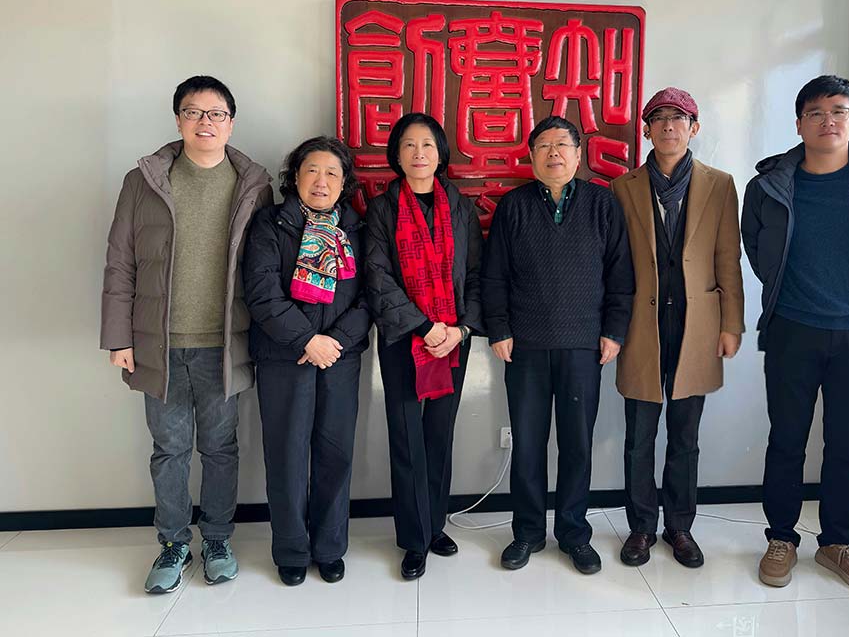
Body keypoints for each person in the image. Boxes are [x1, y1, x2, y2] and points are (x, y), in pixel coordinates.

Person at [742, 75, 849, 594]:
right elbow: (757, 248)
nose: (828, 121)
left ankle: (839, 544)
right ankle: (781, 538)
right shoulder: (769, 184)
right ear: (799, 123)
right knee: (786, 440)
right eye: (816, 113)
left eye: (839, 111)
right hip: (792, 330)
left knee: (847, 445)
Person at [100, 75, 273, 593]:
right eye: (194, 112)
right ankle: (173, 543)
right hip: (159, 342)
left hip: (226, 342)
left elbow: (266, 267)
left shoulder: (254, 184)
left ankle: (217, 538)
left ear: (231, 123)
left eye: (216, 113)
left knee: (221, 448)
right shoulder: (143, 181)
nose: (205, 122)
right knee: (169, 448)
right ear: (178, 120)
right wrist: (119, 336)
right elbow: (120, 261)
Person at [481, 115, 634, 575]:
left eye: (562, 145)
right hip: (524, 345)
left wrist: (614, 331)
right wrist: (499, 328)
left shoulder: (602, 204)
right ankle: (527, 532)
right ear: (531, 156)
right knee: (528, 444)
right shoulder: (514, 207)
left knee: (576, 445)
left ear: (578, 153)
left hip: (583, 345)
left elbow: (620, 275)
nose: (554, 153)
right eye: (544, 146)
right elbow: (494, 275)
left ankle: (573, 533)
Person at [611, 87, 744, 569]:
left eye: (679, 118)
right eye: (660, 118)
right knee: (639, 436)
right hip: (641, 325)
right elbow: (616, 263)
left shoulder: (719, 184)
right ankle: (641, 527)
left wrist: (731, 324)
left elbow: (728, 257)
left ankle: (680, 526)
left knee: (685, 435)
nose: (669, 125)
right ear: (646, 129)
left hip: (698, 326)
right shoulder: (623, 187)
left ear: (694, 128)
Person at [243, 137, 370, 586]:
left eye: (332, 173)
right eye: (312, 170)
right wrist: (306, 339)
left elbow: (370, 295)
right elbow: (261, 292)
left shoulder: (356, 227)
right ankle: (292, 550)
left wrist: (334, 342)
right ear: (295, 177)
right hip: (284, 356)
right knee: (287, 454)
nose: (321, 181)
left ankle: (330, 548)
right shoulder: (270, 224)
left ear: (344, 182)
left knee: (336, 453)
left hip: (340, 357)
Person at [365, 112, 484, 580]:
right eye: (409, 145)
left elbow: (475, 273)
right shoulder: (382, 209)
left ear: (441, 153)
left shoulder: (460, 207)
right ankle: (413, 539)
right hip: (404, 339)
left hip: (453, 339)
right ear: (396, 155)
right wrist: (421, 326)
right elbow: (377, 276)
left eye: (428, 145)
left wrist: (461, 329)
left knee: (439, 433)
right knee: (406, 436)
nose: (419, 153)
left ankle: (435, 525)